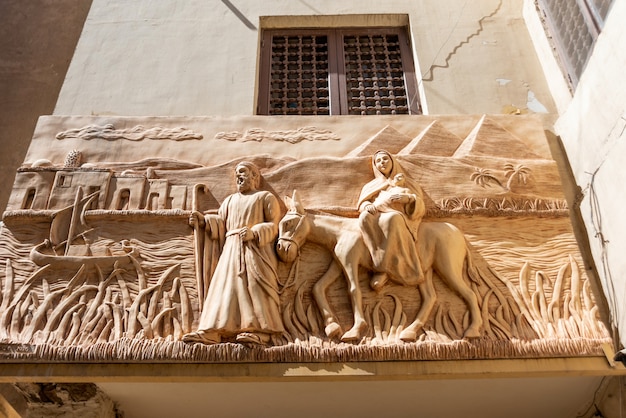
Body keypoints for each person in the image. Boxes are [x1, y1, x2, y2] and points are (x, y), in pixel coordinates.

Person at [183, 162, 284, 345]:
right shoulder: (230, 200)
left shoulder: (264, 197)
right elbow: (221, 223)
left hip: (255, 251)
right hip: (230, 251)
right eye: (237, 173)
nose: (238, 177)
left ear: (254, 176)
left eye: (243, 173)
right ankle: (212, 331)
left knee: (253, 288)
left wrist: (255, 232)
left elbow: (274, 225)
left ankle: (260, 331)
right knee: (224, 289)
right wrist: (204, 220)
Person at [357, 150, 425, 291]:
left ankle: (382, 268)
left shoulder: (407, 183)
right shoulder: (371, 186)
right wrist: (366, 205)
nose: (382, 162)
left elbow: (420, 205)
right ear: (375, 166)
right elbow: (362, 203)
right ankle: (376, 257)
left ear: (393, 161)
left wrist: (409, 199)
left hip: (398, 216)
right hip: (377, 215)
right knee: (363, 217)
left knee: (392, 219)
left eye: (385, 159)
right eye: (378, 161)